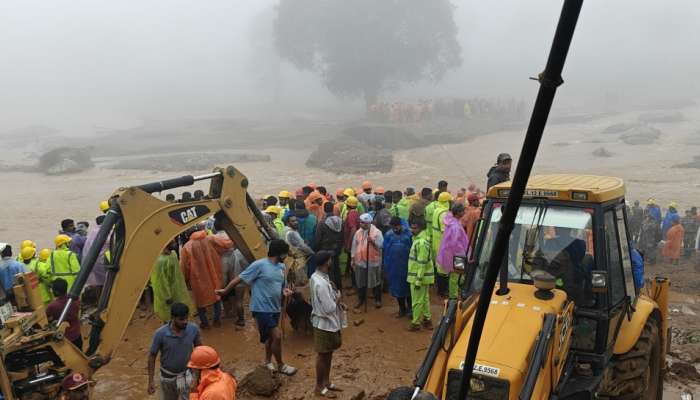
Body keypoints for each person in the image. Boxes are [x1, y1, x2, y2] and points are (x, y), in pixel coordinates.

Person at [216, 240, 297, 375]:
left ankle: (267, 361)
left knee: (270, 338)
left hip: (275, 308)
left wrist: (285, 291)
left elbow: (282, 285)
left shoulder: (281, 267)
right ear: (279, 253)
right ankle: (281, 365)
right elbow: (239, 278)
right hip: (261, 308)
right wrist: (225, 290)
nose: (286, 256)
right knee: (277, 336)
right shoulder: (259, 265)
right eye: (285, 253)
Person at [309, 251, 346, 398]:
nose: (331, 261)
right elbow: (329, 308)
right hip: (324, 324)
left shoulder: (316, 277)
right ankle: (319, 387)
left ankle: (327, 382)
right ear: (327, 263)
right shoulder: (321, 283)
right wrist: (338, 298)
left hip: (325, 323)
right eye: (330, 259)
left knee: (328, 354)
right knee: (323, 355)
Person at [180, 227, 233, 329]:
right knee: (216, 296)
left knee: (200, 301)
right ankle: (217, 320)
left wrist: (186, 280)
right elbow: (226, 244)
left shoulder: (186, 247)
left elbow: (184, 267)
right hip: (214, 273)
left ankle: (205, 323)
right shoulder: (210, 239)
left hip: (197, 278)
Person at [148, 302, 202, 399]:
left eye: (186, 318)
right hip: (168, 378)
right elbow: (152, 356)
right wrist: (151, 380)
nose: (185, 321)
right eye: (181, 319)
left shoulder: (193, 329)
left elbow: (200, 351)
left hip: (187, 374)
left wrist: (198, 375)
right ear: (173, 318)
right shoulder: (160, 334)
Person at [151, 246, 193, 323]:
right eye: (172, 242)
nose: (174, 244)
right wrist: (167, 296)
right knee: (169, 316)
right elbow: (160, 282)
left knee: (178, 313)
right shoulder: (160, 261)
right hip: (168, 295)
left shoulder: (173, 254)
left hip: (177, 290)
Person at [351, 213, 384, 310]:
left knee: (375, 281)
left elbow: (381, 246)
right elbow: (354, 246)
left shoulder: (377, 233)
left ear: (369, 223)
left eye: (365, 223)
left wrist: (373, 242)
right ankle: (361, 299)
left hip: (373, 262)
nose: (363, 225)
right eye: (361, 223)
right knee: (360, 281)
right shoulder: (358, 232)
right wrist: (353, 259)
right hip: (360, 261)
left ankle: (378, 299)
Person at [437, 204, 469, 299]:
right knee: (456, 276)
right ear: (458, 213)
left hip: (453, 254)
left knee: (456, 276)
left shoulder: (451, 222)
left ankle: (454, 294)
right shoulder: (455, 226)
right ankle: (453, 297)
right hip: (457, 255)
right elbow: (454, 243)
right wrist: (460, 255)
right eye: (462, 211)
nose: (464, 213)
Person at [383, 217, 413, 318]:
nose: (395, 229)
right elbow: (386, 251)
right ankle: (401, 309)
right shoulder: (388, 235)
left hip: (407, 267)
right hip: (394, 267)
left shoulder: (409, 234)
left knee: (408, 289)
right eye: (393, 227)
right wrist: (386, 266)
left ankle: (410, 309)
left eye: (396, 226)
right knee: (397, 289)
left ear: (400, 225)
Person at [407, 221, 434, 331]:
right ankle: (427, 320)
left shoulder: (421, 243)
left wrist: (418, 280)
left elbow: (422, 263)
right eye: (411, 227)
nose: (411, 230)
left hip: (418, 278)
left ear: (421, 229)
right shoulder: (419, 240)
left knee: (417, 301)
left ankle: (416, 323)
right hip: (423, 277)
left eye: (414, 228)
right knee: (424, 299)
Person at [46, 278, 82, 349]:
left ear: (57, 292)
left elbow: (46, 319)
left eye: (52, 289)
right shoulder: (76, 300)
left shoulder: (52, 306)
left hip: (63, 339)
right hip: (76, 335)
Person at [315, 202, 344, 290]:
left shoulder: (322, 223)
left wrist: (316, 250)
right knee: (336, 270)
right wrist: (338, 249)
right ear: (333, 209)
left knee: (328, 272)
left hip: (325, 251)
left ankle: (331, 291)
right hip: (336, 251)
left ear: (324, 210)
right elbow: (342, 236)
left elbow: (318, 239)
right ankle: (339, 289)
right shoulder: (340, 221)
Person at [221, 248, 249, 328]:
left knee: (237, 301)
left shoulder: (228, 255)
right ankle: (240, 318)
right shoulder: (241, 253)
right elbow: (246, 267)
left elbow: (226, 271)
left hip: (232, 281)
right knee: (239, 301)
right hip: (241, 280)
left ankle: (240, 319)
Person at [431, 192, 452, 298]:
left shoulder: (436, 210)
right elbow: (445, 231)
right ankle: (442, 290)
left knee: (438, 266)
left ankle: (439, 288)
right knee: (443, 268)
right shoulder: (444, 213)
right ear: (446, 201)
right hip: (442, 242)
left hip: (436, 241)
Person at [342, 196, 361, 287]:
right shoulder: (356, 213)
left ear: (348, 205)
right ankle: (354, 283)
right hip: (356, 242)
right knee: (352, 262)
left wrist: (349, 244)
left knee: (353, 263)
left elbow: (353, 229)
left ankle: (355, 285)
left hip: (353, 244)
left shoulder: (351, 215)